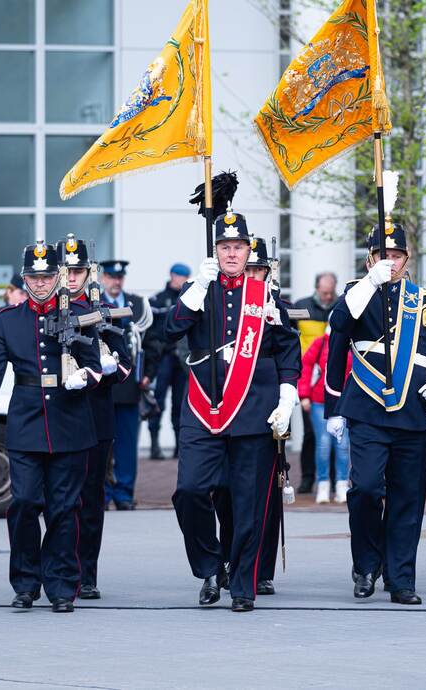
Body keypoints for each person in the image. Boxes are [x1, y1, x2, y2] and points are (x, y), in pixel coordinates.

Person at [163, 207, 300, 612]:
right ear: (215, 251)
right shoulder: (199, 288)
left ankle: (242, 584)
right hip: (203, 407)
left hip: (252, 410)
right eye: (224, 246)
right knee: (188, 491)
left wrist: (287, 395)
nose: (232, 253)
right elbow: (169, 330)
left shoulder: (264, 296)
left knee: (248, 503)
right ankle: (209, 567)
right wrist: (194, 289)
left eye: (238, 246)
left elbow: (287, 347)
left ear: (247, 250)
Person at [324, 221, 426, 605]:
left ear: (407, 258)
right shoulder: (358, 293)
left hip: (413, 411)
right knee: (366, 489)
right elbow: (338, 329)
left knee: (407, 497)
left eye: (397, 255)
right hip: (367, 408)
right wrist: (333, 407)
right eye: (383, 255)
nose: (391, 261)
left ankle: (401, 577)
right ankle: (366, 565)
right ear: (370, 258)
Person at [0, 240, 103, 612]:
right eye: (34, 276)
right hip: (27, 424)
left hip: (71, 423)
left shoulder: (79, 313)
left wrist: (85, 377)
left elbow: (97, 364)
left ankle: (62, 584)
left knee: (63, 509)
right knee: (26, 503)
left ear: (58, 276)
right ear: (25, 277)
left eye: (47, 276)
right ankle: (26, 581)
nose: (41, 283)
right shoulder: (8, 320)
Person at [59, 236, 133, 601]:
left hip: (95, 415)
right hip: (56, 416)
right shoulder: (46, 312)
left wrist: (106, 367)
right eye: (67, 270)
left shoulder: (102, 311)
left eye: (78, 270)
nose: (71, 277)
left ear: (89, 273)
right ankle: (56, 569)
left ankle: (86, 573)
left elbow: (125, 364)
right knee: (56, 499)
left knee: (90, 499)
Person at [243, 235, 300, 596]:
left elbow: (288, 357)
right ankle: (227, 560)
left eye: (258, 268)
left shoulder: (277, 306)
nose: (252, 274)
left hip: (267, 407)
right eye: (247, 268)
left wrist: (287, 398)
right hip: (226, 408)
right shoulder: (219, 301)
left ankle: (261, 568)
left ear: (268, 271)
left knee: (267, 488)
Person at [100, 259, 155, 510]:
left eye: (120, 277)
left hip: (129, 385)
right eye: (111, 277)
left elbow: (153, 342)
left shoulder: (137, 305)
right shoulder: (92, 304)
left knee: (126, 443)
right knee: (101, 444)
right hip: (100, 386)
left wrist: (147, 373)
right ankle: (102, 492)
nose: (116, 281)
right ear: (102, 278)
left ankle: (123, 493)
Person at [294, 271, 339, 494]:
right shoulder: (301, 307)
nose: (328, 297)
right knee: (311, 434)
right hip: (308, 377)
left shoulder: (341, 306)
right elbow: (287, 331)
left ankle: (332, 478)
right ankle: (307, 478)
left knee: (336, 434)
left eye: (331, 292)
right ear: (316, 288)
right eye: (324, 292)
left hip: (333, 377)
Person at [299, 328, 350, 503]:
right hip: (319, 401)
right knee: (323, 443)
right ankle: (323, 484)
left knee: (343, 444)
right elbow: (305, 367)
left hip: (344, 402)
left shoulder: (352, 341)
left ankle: (342, 484)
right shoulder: (320, 343)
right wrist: (304, 395)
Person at [146, 263, 191, 459]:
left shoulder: (189, 299)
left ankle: (179, 448)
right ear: (172, 275)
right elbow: (150, 332)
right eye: (180, 276)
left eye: (186, 276)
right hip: (163, 358)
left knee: (180, 404)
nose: (183, 280)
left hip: (181, 360)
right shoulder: (157, 300)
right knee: (158, 402)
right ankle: (155, 446)